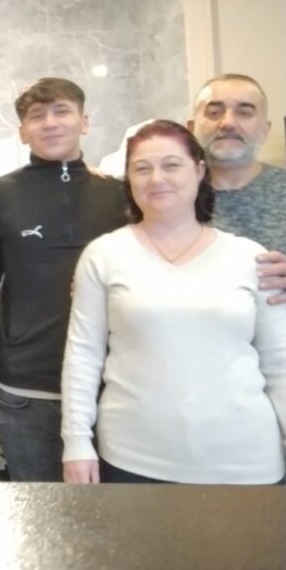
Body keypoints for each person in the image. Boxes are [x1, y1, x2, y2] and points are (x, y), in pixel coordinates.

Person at [62, 120, 286, 484]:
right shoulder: (104, 255)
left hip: (247, 462)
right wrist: (76, 442)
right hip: (133, 458)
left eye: (171, 165)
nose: (156, 179)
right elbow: (83, 356)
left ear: (199, 171)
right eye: (142, 169)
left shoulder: (250, 257)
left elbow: (280, 363)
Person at [0, 78, 127, 481]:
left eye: (62, 111)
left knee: (120, 513)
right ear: (22, 131)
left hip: (114, 388)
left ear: (84, 121)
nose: (50, 123)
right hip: (28, 391)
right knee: (40, 511)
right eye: (37, 116)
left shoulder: (121, 195)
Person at [188, 73, 286, 304]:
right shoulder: (165, 196)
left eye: (244, 113)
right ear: (191, 128)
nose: (228, 123)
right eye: (214, 112)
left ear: (265, 129)